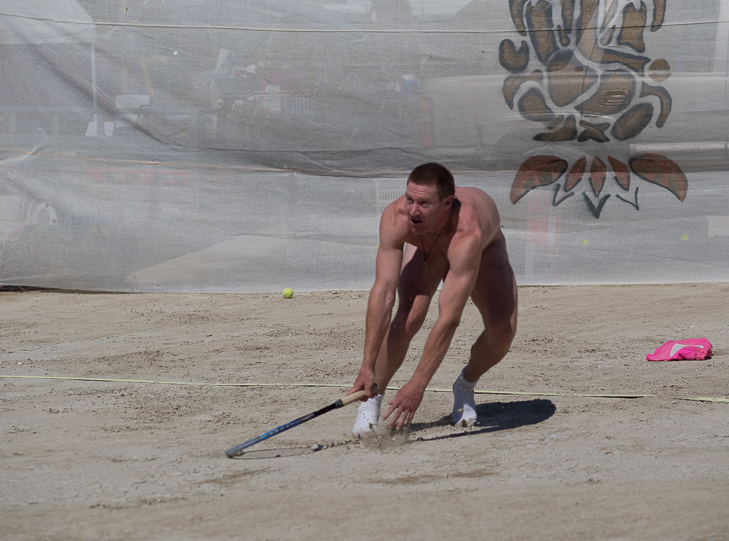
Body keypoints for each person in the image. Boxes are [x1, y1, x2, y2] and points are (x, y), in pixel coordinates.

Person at [348, 162, 518, 436]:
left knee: (502, 332)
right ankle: (372, 399)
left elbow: (449, 317)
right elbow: (383, 293)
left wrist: (418, 384)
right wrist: (366, 366)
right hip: (427, 246)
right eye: (410, 199)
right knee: (408, 316)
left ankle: (465, 386)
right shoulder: (397, 217)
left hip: (483, 248)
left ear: (447, 203)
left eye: (424, 203)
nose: (413, 210)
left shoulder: (468, 231)